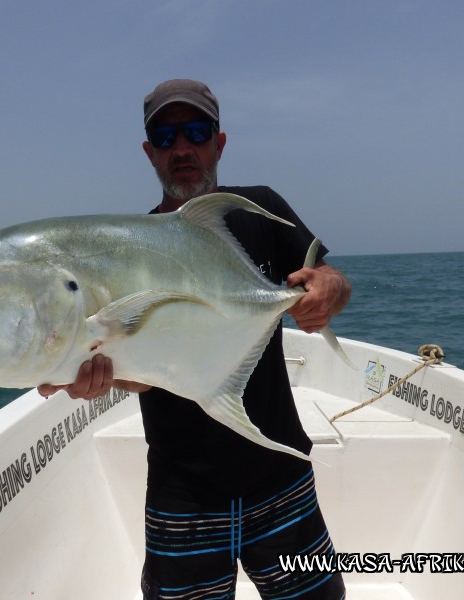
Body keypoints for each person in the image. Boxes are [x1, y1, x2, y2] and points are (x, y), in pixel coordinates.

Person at [40, 79, 350, 599]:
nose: (182, 148)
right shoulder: (132, 250)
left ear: (219, 142)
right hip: (182, 492)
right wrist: (98, 375)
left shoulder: (260, 209)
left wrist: (329, 289)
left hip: (277, 474)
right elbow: (142, 375)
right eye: (165, 136)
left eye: (196, 132)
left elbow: (327, 280)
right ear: (149, 153)